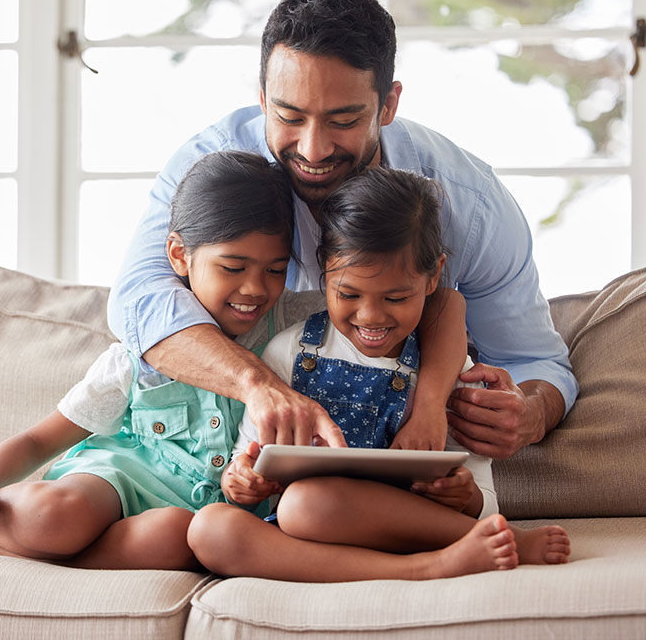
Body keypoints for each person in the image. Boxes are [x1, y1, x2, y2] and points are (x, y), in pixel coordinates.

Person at [107, 0, 577, 460]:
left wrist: (530, 412)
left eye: (343, 121)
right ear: (264, 98)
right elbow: (138, 300)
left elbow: (534, 361)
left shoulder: (470, 204)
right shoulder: (210, 171)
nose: (312, 150)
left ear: (388, 105)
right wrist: (259, 385)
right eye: (290, 116)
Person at [0, 151, 297, 569]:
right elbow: (39, 441)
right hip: (111, 484)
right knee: (54, 517)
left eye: (276, 270)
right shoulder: (140, 355)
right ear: (179, 255)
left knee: (176, 538)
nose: (256, 288)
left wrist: (256, 481)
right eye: (233, 267)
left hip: (196, 518)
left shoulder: (286, 351)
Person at [186, 168, 571, 582]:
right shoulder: (289, 352)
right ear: (324, 272)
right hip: (305, 535)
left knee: (306, 503)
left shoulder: (445, 368)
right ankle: (423, 569)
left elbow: (483, 496)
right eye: (348, 294)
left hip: (393, 524)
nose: (370, 316)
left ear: (433, 277)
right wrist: (242, 481)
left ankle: (491, 543)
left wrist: (467, 497)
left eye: (396, 297)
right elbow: (247, 461)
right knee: (211, 528)